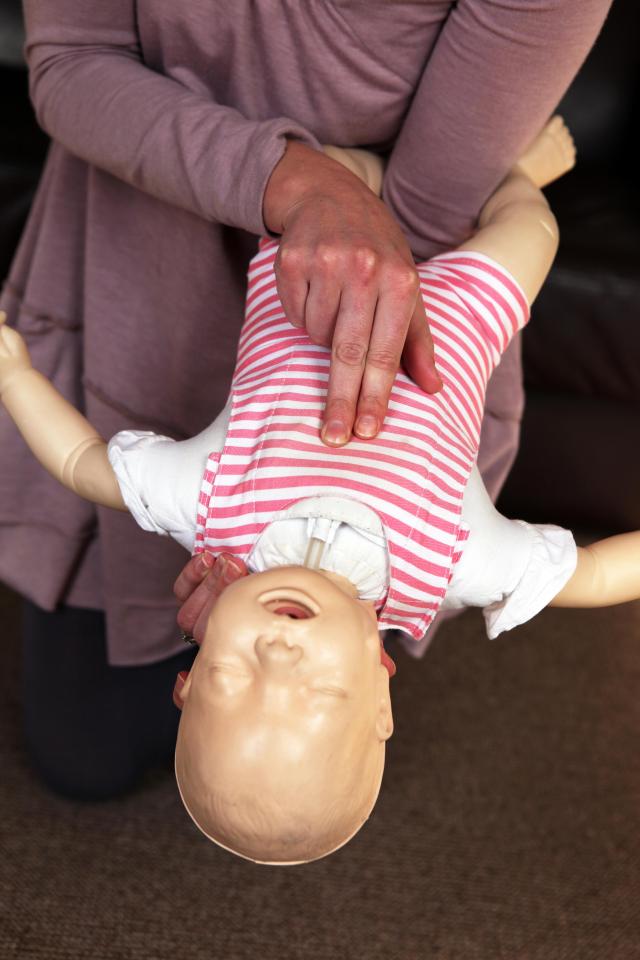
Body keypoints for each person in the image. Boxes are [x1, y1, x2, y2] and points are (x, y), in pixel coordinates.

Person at [0, 1, 613, 800]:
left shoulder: (211, 509)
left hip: (320, 251)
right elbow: (593, 575)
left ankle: (387, 173)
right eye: (316, 691)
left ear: (191, 678)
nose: (279, 659)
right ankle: (519, 179)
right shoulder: (455, 566)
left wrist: (13, 373)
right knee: (527, 232)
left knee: (80, 753)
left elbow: (86, 464)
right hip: (459, 296)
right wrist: (315, 182)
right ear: (378, 676)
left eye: (230, 678)